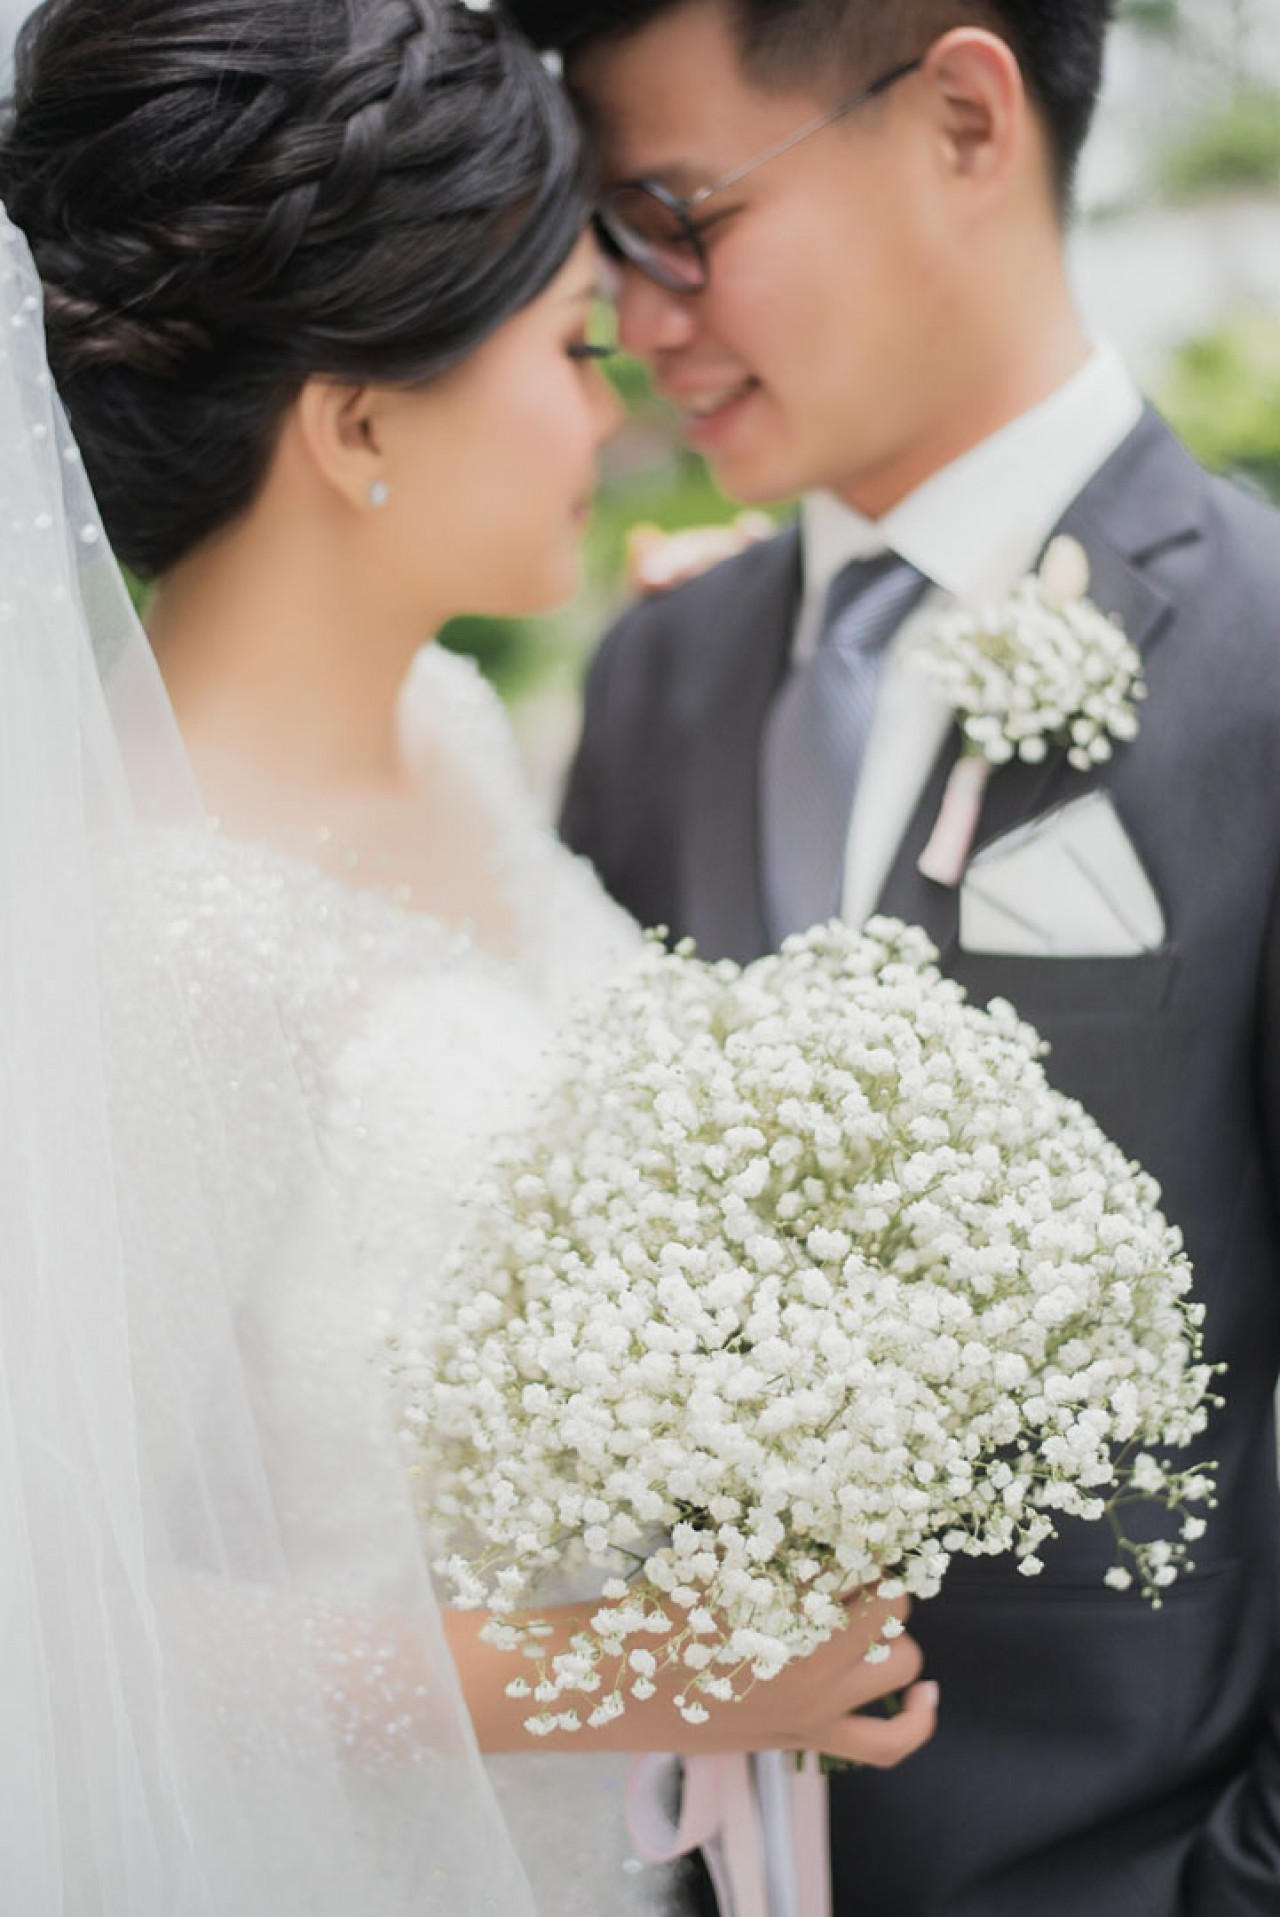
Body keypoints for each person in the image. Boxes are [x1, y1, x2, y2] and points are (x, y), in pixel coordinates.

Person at [0, 0, 936, 1909]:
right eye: (574, 344)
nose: (616, 402)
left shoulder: (447, 723)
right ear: (358, 424)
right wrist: (638, 1670)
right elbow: (63, 1619)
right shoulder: (152, 934)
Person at [502, 0, 1280, 1912]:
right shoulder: (657, 682)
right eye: (607, 246)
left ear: (960, 121)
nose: (639, 314)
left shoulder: (1265, 664)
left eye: (680, 219)